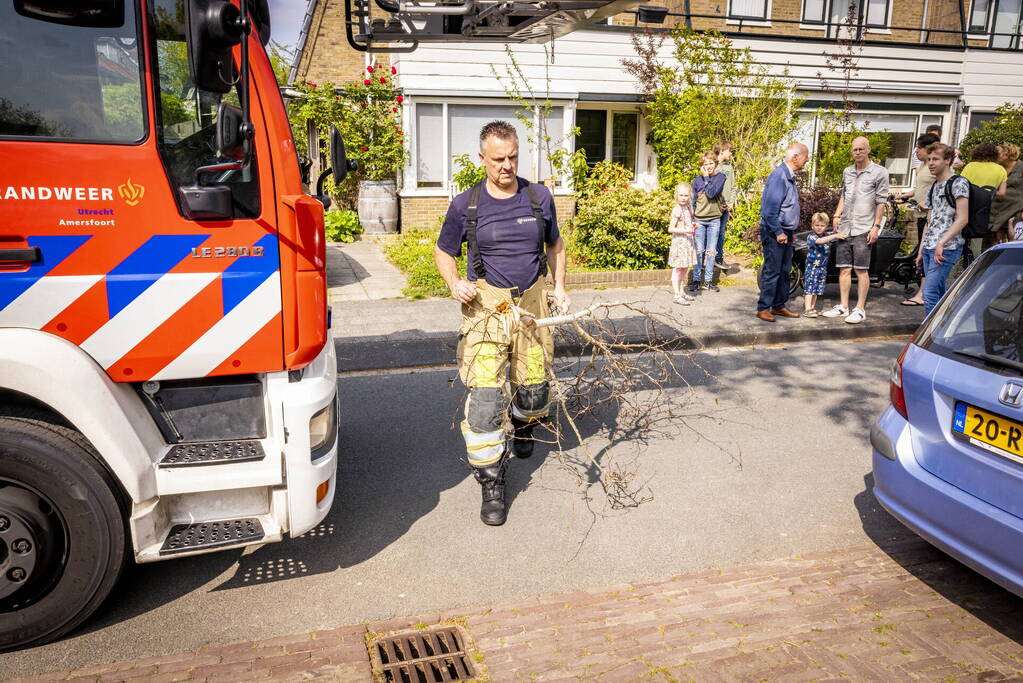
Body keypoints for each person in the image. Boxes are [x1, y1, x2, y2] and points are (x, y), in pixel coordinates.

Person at [433, 120, 570, 527]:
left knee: (534, 391)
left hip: (531, 305)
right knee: (486, 401)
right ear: (483, 159)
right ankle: (492, 481)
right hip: (487, 308)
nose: (506, 166)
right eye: (498, 160)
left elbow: (556, 245)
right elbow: (444, 252)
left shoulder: (538, 196)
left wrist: (559, 287)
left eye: (512, 157)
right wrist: (455, 282)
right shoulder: (466, 204)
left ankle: (524, 424)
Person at [822, 136, 890, 324]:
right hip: (845, 227)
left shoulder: (879, 172)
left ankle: (859, 309)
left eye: (861, 149)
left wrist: (876, 226)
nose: (857, 152)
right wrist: (836, 215)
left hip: (864, 227)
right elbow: (844, 195)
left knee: (861, 270)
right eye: (855, 150)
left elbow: (881, 202)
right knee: (844, 269)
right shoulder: (847, 172)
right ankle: (843, 306)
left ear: (868, 150)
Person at [756, 142, 808, 322]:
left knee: (785, 270)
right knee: (773, 270)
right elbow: (769, 210)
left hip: (785, 231)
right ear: (795, 157)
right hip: (774, 231)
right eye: (805, 157)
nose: (807, 161)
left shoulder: (789, 176)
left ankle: (778, 305)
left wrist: (789, 231)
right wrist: (779, 232)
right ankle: (763, 308)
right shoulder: (779, 176)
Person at [918, 143, 968, 314]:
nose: (931, 163)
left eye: (935, 159)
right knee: (938, 293)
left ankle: (930, 336)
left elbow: (963, 218)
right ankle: (946, 328)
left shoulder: (958, 183)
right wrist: (921, 247)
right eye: (929, 159)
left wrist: (942, 242)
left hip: (947, 247)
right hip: (929, 246)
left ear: (947, 160)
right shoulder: (933, 187)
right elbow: (930, 220)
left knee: (929, 293)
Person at [898, 132, 940, 306]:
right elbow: (920, 188)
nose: (916, 151)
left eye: (918, 148)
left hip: (930, 215)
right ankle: (925, 292)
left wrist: (927, 202)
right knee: (921, 253)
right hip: (921, 214)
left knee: (925, 254)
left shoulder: (936, 168)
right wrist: (903, 195)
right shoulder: (924, 167)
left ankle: (923, 295)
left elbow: (939, 188)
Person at [961, 142, 1009, 256]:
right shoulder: (1000, 170)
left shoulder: (970, 166)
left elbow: (960, 185)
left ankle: (958, 267)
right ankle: (973, 265)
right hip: (984, 210)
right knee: (977, 241)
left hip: (966, 206)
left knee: (960, 237)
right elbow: (1002, 193)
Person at [690, 151, 726, 292]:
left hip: (714, 220)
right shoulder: (696, 181)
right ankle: (696, 280)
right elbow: (693, 201)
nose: (709, 166)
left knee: (711, 252)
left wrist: (706, 178)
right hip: (699, 220)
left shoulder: (720, 178)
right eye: (706, 164)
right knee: (699, 251)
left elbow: (711, 193)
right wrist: (692, 219)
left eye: (711, 163)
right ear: (701, 166)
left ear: (715, 163)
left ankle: (708, 281)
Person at [802, 212, 847, 318]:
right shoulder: (811, 237)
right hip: (812, 267)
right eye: (817, 225)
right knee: (810, 288)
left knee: (817, 289)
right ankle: (807, 309)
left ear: (826, 226)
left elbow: (833, 233)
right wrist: (835, 235)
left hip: (822, 268)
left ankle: (812, 308)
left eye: (822, 226)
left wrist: (838, 229)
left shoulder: (826, 234)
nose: (819, 228)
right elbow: (820, 241)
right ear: (812, 226)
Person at [668, 181, 697, 305]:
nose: (684, 198)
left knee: (685, 268)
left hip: (687, 242)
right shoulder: (677, 209)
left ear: (689, 196)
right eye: (681, 195)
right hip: (679, 243)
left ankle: (681, 292)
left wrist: (694, 226)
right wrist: (686, 230)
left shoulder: (688, 207)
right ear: (677, 196)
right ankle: (676, 295)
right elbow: (671, 228)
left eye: (686, 196)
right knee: (678, 269)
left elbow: (688, 223)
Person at [990, 143, 1023, 246]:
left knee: (1014, 244)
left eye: (997, 153)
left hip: (1015, 212)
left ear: (1006, 154)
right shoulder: (996, 168)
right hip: (996, 212)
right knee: (992, 245)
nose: (994, 156)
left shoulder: (1021, 167)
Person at [713, 141, 738, 271]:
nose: (731, 153)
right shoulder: (713, 166)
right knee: (712, 233)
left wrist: (731, 202)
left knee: (721, 233)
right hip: (715, 207)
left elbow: (733, 187)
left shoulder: (729, 168)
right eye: (729, 150)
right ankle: (708, 260)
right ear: (722, 151)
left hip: (726, 207)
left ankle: (719, 258)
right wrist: (720, 204)